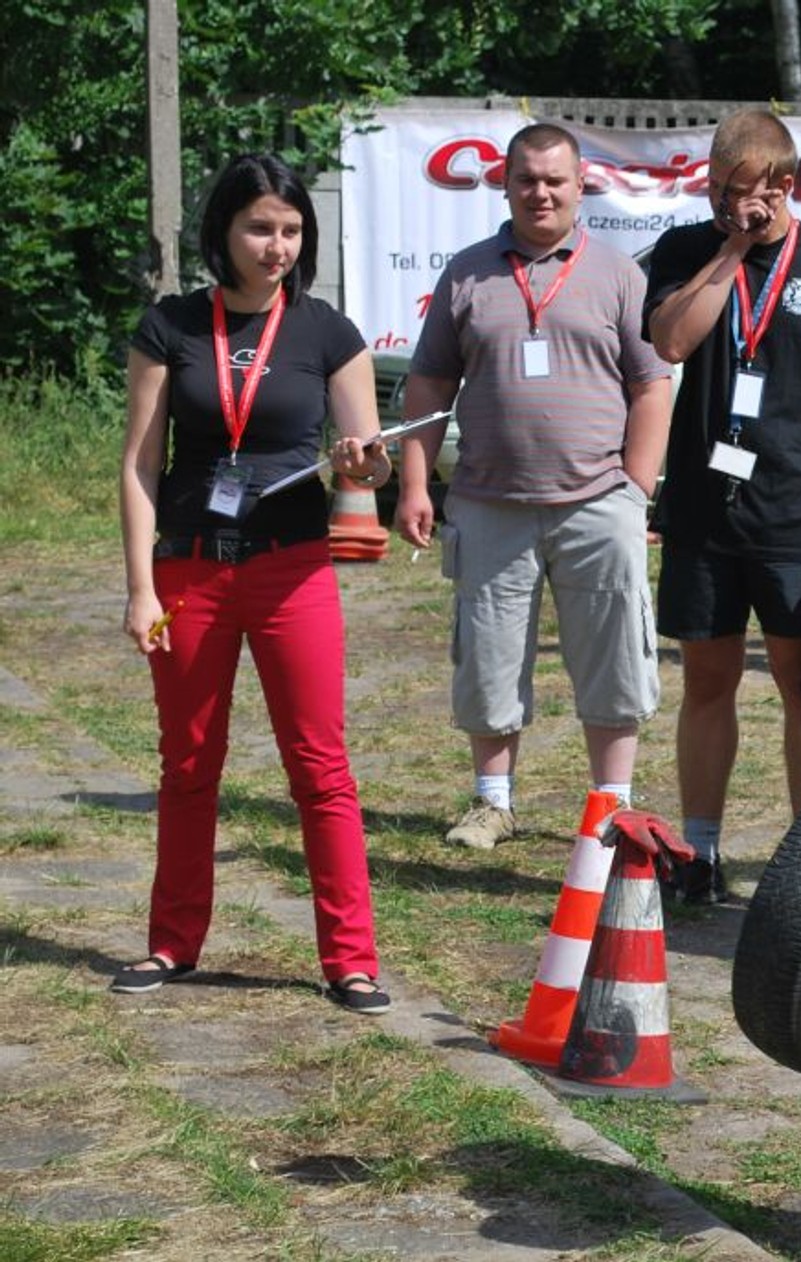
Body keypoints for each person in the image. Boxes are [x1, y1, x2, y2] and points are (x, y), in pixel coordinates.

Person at [115, 153, 391, 1014]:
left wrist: (362, 465)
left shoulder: (327, 333)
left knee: (321, 767)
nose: (277, 246)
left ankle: (350, 959)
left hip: (292, 570)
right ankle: (172, 945)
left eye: (291, 230)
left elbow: (370, 464)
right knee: (189, 763)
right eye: (260, 228)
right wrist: (140, 587)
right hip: (190, 569)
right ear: (224, 233)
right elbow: (138, 466)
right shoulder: (170, 327)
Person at [644, 110, 801, 903]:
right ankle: (702, 851)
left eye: (746, 194)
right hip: (704, 514)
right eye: (720, 190)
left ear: (784, 185)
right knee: (707, 681)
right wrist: (728, 247)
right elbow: (672, 343)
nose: (730, 204)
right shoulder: (691, 250)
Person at [394, 123, 674, 848]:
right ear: (506, 183)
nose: (541, 192)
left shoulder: (618, 273)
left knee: (614, 654)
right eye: (527, 179)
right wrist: (416, 483)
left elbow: (651, 386)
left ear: (581, 185)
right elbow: (428, 383)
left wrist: (635, 489)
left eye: (555, 179)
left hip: (597, 502)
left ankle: (610, 804)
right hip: (489, 501)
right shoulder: (467, 273)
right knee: (486, 655)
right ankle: (493, 802)